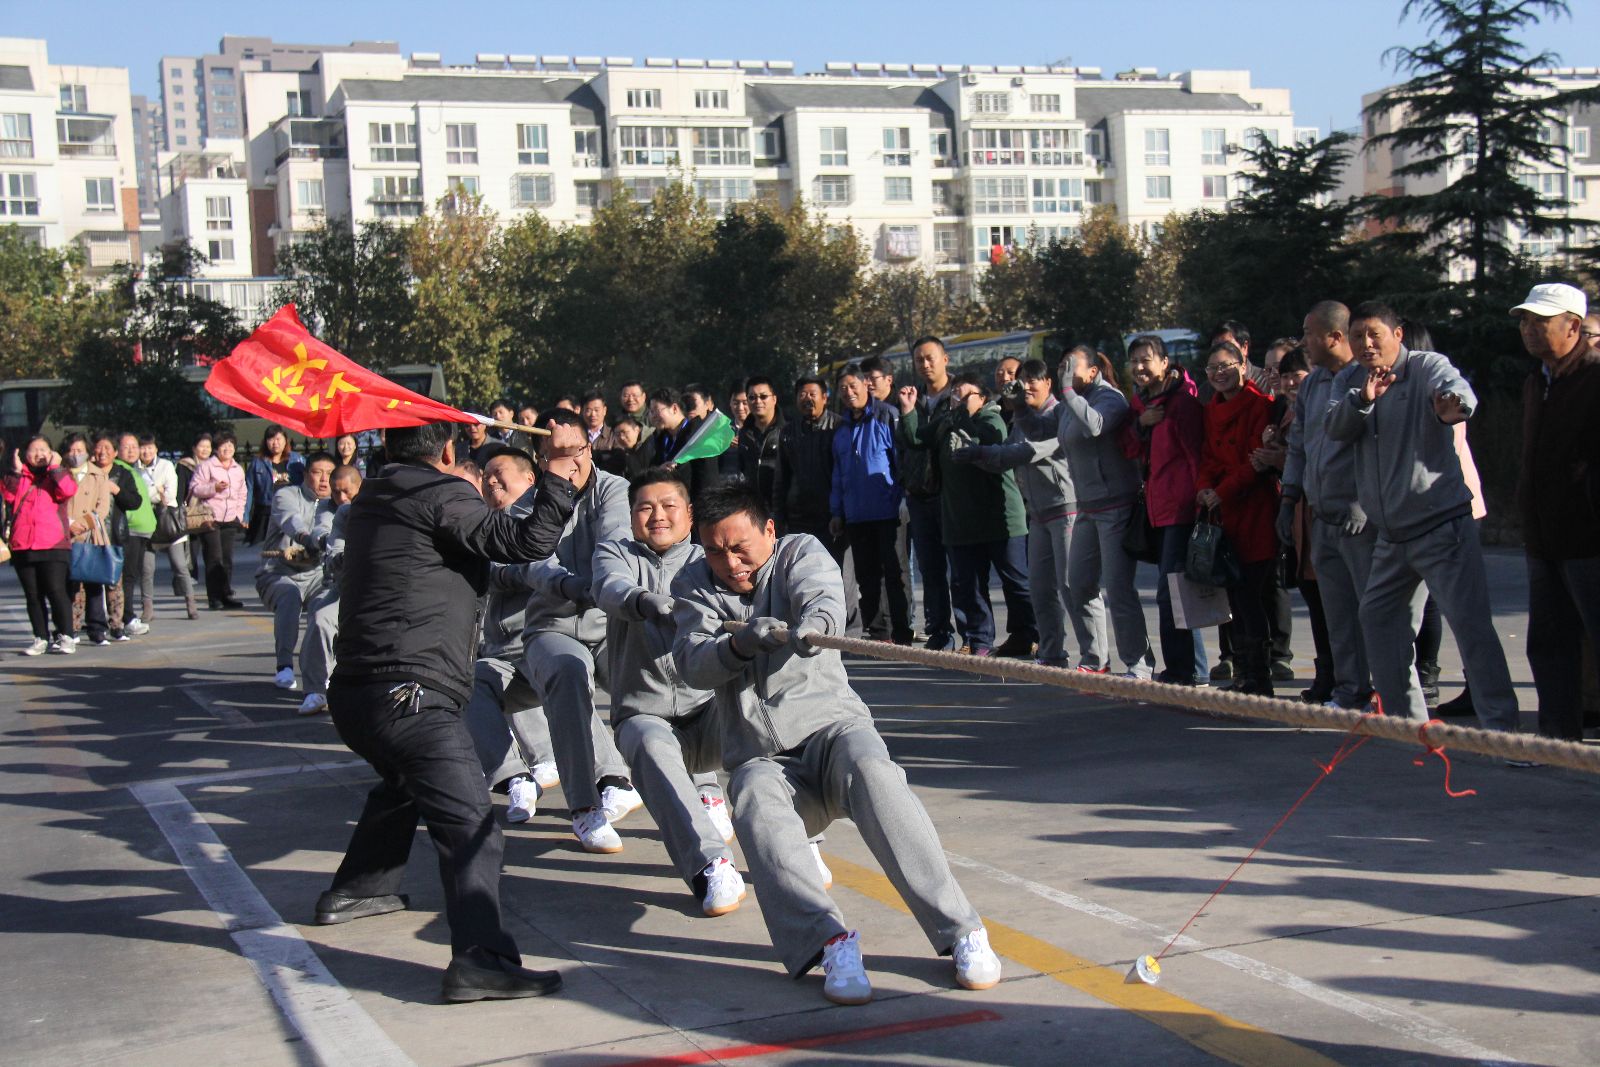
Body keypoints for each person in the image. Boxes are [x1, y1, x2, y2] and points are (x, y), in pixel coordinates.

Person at [671, 482, 1002, 1004]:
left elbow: (823, 597)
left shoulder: (800, 552)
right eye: (714, 551)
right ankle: (828, 943)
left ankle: (962, 930)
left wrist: (815, 625)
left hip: (832, 731)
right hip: (762, 756)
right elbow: (692, 661)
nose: (729, 563)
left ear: (769, 531)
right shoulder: (692, 583)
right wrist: (737, 645)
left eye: (739, 547)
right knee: (753, 797)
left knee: (874, 771)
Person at [319, 418, 579, 1002]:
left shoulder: (373, 498)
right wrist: (561, 471)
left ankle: (360, 887)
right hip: (410, 694)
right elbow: (526, 543)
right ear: (446, 452)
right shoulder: (440, 493)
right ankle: (481, 960)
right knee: (471, 825)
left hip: (357, 695)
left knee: (402, 781)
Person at [1327, 302, 1520, 732]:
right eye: (1357, 336)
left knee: (1470, 627)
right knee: (1378, 620)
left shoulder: (1426, 366)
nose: (1366, 344)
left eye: (1375, 334)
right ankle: (1407, 728)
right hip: (1390, 535)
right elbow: (1335, 428)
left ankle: (1504, 731)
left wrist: (1454, 405)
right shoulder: (1350, 379)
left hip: (1441, 527)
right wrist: (1363, 400)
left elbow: (1458, 393)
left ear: (1398, 334)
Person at [593, 468, 746, 916]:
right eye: (645, 507)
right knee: (648, 744)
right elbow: (609, 587)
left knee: (765, 716)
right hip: (647, 714)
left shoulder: (708, 559)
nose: (657, 515)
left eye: (668, 506)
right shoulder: (614, 553)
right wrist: (645, 601)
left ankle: (805, 843)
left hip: (708, 709)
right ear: (632, 516)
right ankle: (711, 865)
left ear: (690, 515)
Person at [519, 410, 644, 853]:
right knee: (568, 673)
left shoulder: (615, 489)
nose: (569, 463)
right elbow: (534, 561)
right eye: (555, 455)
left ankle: (704, 791)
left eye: (575, 451)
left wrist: (607, 587)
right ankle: (584, 807)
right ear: (540, 460)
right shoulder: (527, 502)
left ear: (589, 448)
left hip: (610, 620)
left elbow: (614, 542)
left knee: (660, 673)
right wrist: (569, 585)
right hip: (551, 625)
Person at [1512, 283, 1600, 741]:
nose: (1529, 329)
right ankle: (1557, 741)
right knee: (1549, 643)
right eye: (1525, 321)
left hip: (1589, 535)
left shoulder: (1594, 376)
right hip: (1543, 535)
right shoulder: (1537, 381)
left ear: (1573, 326)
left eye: (1541, 321)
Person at [952, 358, 1080, 667]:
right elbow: (1005, 456)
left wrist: (979, 451)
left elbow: (1025, 451)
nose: (1027, 387)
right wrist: (974, 455)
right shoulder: (1025, 419)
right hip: (1038, 514)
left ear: (1048, 382)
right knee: (1041, 590)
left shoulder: (1057, 414)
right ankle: (1052, 655)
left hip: (1065, 510)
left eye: (1033, 380)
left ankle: (1094, 660)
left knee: (1073, 588)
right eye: (1023, 382)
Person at [902, 372, 1036, 658]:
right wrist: (909, 410)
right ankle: (979, 641)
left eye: (966, 395)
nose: (958, 400)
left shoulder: (992, 419)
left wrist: (961, 416)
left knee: (1016, 582)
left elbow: (984, 441)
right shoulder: (946, 422)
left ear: (983, 398)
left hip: (1000, 520)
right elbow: (916, 438)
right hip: (960, 522)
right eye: (955, 395)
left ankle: (1029, 635)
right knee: (969, 586)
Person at [1281, 302, 1374, 709]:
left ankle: (1386, 692)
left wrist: (1362, 502)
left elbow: (1378, 445)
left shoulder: (1367, 377)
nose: (1304, 341)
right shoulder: (1313, 384)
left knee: (1374, 611)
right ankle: (1350, 691)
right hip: (1321, 515)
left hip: (1361, 519)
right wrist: (1289, 498)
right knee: (1338, 614)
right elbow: (1298, 445)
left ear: (1335, 337)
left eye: (1308, 333)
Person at [462, 448, 560, 823]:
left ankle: (610, 782)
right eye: (485, 475)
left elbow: (540, 570)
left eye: (498, 472)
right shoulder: (484, 525)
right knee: (472, 682)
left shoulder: (543, 519)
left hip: (544, 638)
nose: (490, 480)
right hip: (499, 646)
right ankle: (514, 778)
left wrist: (497, 575)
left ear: (529, 478)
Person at [1057, 346, 1156, 678]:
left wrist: (1068, 392)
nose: (1065, 372)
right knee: (1078, 584)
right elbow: (1047, 430)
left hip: (1116, 506)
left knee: (1118, 587)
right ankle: (1095, 658)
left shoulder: (1109, 398)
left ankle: (1139, 665)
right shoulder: (1070, 402)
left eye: (1072, 366)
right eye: (1062, 366)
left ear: (1093, 371)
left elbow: (1095, 425)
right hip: (1088, 508)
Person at [1196, 340, 1279, 696]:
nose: (1219, 374)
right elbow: (1208, 456)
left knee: (1251, 597)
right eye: (1213, 368)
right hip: (1223, 513)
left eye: (1226, 366)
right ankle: (1244, 672)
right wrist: (1203, 488)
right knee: (1233, 598)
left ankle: (1259, 677)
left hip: (1254, 510)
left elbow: (1256, 460)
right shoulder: (1211, 410)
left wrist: (1222, 491)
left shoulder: (1260, 405)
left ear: (1243, 366)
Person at [1127, 336, 1208, 684]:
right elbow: (1129, 449)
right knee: (1177, 591)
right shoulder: (1144, 404)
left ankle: (1181, 671)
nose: (1139, 367)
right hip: (1157, 508)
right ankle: (1196, 669)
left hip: (1181, 508)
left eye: (1146, 360)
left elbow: (1195, 455)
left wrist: (1200, 502)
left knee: (1169, 593)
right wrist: (1141, 424)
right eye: (1134, 361)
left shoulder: (1182, 402)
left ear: (1165, 363)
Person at [831, 368, 913, 645]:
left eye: (853, 385)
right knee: (866, 577)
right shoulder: (841, 428)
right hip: (856, 515)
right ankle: (878, 635)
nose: (848, 392)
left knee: (894, 574)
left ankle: (901, 632)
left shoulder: (887, 415)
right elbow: (838, 473)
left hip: (888, 511)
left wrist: (902, 498)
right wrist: (837, 511)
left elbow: (900, 460)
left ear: (866, 384)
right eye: (843, 388)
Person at [896, 336, 961, 652]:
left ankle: (973, 635)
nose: (925, 364)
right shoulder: (913, 400)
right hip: (919, 497)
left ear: (945, 359)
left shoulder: (959, 395)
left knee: (960, 569)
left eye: (930, 357)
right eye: (919, 359)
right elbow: (903, 445)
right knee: (930, 570)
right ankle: (939, 632)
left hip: (951, 496)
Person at [255, 451, 336, 691]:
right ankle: (284, 666)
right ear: (306, 474)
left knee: (326, 609)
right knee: (289, 596)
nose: (324, 479)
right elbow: (291, 520)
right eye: (317, 472)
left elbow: (327, 528)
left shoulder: (336, 505)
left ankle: (326, 671)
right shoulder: (286, 495)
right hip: (278, 572)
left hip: (318, 575)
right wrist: (305, 538)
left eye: (329, 474)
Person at [295, 464, 362, 716]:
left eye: (347, 492)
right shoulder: (333, 510)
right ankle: (315, 689)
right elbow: (326, 536)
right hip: (342, 586)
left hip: (378, 589)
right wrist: (333, 549)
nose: (341, 497)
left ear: (360, 487)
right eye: (336, 492)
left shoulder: (377, 508)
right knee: (321, 617)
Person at [4, 436, 77, 655]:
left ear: (51, 452)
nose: (39, 454)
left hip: (53, 544)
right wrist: (17, 472)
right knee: (33, 595)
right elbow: (9, 497)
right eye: (33, 450)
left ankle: (66, 635)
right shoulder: (17, 477)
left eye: (43, 449)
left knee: (56, 590)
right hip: (23, 545)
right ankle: (40, 637)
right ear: (24, 454)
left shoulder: (58, 474)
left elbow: (68, 490)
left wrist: (55, 468)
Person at [135, 434, 198, 620]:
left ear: (156, 449)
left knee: (180, 565)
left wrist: (149, 494)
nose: (146, 451)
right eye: (142, 447)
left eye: (150, 447)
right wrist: (157, 490)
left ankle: (191, 603)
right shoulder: (134, 469)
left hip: (168, 521)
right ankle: (147, 608)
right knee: (146, 569)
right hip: (146, 522)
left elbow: (170, 494)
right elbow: (137, 496)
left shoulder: (167, 465)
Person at [61, 433, 114, 646]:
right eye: (72, 450)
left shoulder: (98, 474)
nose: (76, 454)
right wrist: (70, 523)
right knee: (69, 585)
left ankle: (97, 628)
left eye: (80, 450)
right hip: (66, 535)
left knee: (94, 583)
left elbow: (103, 507)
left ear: (87, 452)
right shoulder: (60, 473)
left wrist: (85, 523)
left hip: (91, 534)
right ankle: (70, 628)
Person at [190, 432, 247, 610]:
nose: (227, 448)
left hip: (230, 518)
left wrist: (239, 514)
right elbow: (195, 488)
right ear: (216, 448)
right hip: (211, 518)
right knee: (214, 558)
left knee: (227, 559)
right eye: (224, 445)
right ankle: (214, 597)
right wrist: (213, 487)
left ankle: (226, 594)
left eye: (231, 445)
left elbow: (242, 493)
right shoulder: (207, 466)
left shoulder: (238, 469)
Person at [113, 433, 156, 637]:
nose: (131, 450)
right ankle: (127, 617)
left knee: (133, 575)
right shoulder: (119, 470)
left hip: (141, 532)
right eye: (126, 446)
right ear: (117, 450)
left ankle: (126, 615)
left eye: (134, 446)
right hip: (129, 530)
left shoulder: (134, 470)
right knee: (127, 577)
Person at [649, 388, 721, 502]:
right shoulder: (660, 438)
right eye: (651, 412)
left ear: (674, 408)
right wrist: (659, 470)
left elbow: (707, 478)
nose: (653, 416)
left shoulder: (698, 435)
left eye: (656, 410)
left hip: (697, 504)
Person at [244, 425, 303, 545]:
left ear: (285, 440)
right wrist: (245, 516)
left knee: (289, 546)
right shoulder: (258, 462)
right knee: (263, 547)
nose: (275, 443)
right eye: (271, 439)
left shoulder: (297, 460)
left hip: (291, 510)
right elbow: (248, 490)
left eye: (278, 439)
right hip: (265, 511)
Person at [737, 375, 785, 505]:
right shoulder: (744, 433)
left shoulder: (788, 431)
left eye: (763, 396)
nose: (758, 401)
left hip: (781, 506)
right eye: (752, 397)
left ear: (774, 399)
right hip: (753, 506)